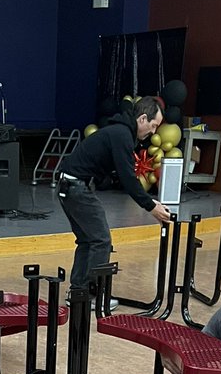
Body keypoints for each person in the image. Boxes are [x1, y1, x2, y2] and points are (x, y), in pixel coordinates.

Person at [57, 97, 171, 299]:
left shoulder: (119, 131)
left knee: (88, 240)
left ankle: (79, 292)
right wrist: (150, 205)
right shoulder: (121, 134)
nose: (153, 132)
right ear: (143, 118)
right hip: (76, 187)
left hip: (70, 185)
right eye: (153, 126)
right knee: (101, 240)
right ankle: (92, 296)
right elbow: (128, 178)